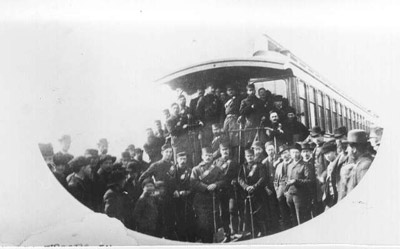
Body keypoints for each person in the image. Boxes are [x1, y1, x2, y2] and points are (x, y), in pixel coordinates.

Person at [138, 144, 177, 240]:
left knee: (170, 222)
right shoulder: (156, 165)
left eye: (170, 152)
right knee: (159, 222)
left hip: (171, 197)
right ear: (162, 153)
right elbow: (142, 178)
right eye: (166, 152)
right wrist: (153, 185)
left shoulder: (173, 165)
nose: (169, 154)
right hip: (159, 197)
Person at [190, 147, 224, 243]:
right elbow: (193, 182)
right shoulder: (196, 169)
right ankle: (205, 241)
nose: (208, 157)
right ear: (202, 156)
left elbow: (223, 181)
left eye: (210, 155)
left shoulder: (217, 169)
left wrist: (216, 185)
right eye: (206, 155)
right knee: (203, 222)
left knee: (213, 223)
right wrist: (206, 187)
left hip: (213, 199)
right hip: (201, 200)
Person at [213, 143, 239, 242]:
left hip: (231, 189)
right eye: (223, 149)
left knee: (232, 209)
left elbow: (238, 174)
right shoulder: (216, 162)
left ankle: (234, 231)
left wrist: (235, 180)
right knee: (223, 213)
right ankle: (226, 233)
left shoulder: (234, 162)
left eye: (227, 149)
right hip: (221, 191)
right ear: (220, 151)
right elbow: (213, 176)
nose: (225, 151)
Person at [238, 149, 267, 238]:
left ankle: (263, 232)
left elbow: (262, 178)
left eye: (251, 156)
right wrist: (246, 187)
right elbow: (240, 179)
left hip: (258, 193)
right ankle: (253, 231)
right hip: (247, 193)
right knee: (249, 214)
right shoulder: (243, 166)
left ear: (254, 156)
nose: (250, 157)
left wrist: (254, 186)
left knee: (259, 213)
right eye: (248, 156)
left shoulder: (260, 165)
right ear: (246, 157)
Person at [171, 152, 196, 242]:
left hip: (188, 200)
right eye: (181, 159)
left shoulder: (190, 171)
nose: (183, 161)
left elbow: (193, 185)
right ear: (177, 160)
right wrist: (175, 191)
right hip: (175, 200)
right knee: (178, 222)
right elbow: (169, 183)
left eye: (184, 159)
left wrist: (185, 192)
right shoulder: (172, 170)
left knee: (189, 221)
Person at [285, 144, 312, 226]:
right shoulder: (289, 165)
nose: (295, 155)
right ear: (290, 154)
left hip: (300, 195)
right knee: (293, 218)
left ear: (300, 153)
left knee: (300, 218)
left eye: (297, 152)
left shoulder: (305, 165)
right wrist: (286, 191)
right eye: (293, 153)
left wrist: (296, 181)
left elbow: (309, 180)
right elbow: (287, 178)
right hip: (290, 195)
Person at [307, 126, 328, 217]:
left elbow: (330, 165)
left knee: (325, 202)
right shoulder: (315, 148)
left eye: (318, 136)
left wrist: (323, 176)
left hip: (324, 181)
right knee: (318, 204)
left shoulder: (326, 147)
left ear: (322, 136)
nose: (317, 139)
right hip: (316, 182)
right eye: (314, 137)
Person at [346, 129, 374, 194]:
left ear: (354, 149)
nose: (347, 151)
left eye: (348, 147)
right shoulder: (363, 162)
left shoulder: (364, 166)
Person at [196, 82, 224, 147]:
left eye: (214, 88)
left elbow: (222, 112)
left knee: (218, 142)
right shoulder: (203, 99)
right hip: (207, 125)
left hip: (217, 124)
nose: (213, 90)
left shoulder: (217, 99)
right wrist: (203, 122)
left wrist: (221, 123)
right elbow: (198, 112)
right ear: (207, 89)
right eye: (211, 88)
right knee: (208, 143)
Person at [261, 141, 280, 234]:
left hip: (279, 186)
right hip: (270, 188)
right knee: (272, 208)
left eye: (272, 149)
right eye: (269, 150)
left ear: (274, 149)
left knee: (280, 205)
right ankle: (274, 228)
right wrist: (266, 188)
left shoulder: (279, 159)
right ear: (266, 151)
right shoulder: (264, 162)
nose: (271, 151)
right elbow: (263, 177)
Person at [273, 144, 293, 230]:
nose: (284, 155)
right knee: (283, 210)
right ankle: (286, 226)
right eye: (282, 154)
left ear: (289, 152)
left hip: (291, 188)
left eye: (286, 152)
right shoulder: (279, 165)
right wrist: (277, 189)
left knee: (292, 208)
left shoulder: (293, 163)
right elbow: (276, 179)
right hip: (281, 189)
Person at [239, 83, 264, 148]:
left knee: (258, 143)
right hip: (249, 125)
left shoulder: (259, 101)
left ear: (255, 91)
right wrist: (250, 107)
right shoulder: (244, 101)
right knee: (248, 143)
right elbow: (241, 111)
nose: (252, 92)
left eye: (253, 90)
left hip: (258, 124)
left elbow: (263, 111)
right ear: (247, 92)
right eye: (250, 90)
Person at [223, 85, 241, 160]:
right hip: (227, 119)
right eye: (229, 90)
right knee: (225, 136)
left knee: (234, 138)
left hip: (234, 119)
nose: (230, 91)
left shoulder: (238, 99)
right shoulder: (225, 100)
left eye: (232, 90)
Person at [320, 140, 339, 208]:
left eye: (329, 153)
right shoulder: (329, 165)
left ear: (334, 151)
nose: (327, 156)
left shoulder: (338, 163)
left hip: (337, 194)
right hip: (331, 194)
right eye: (325, 154)